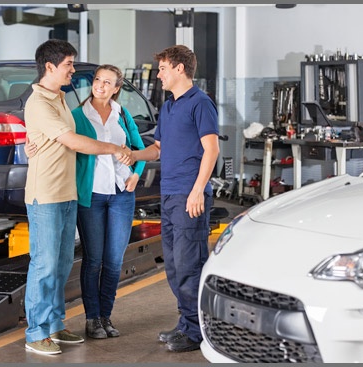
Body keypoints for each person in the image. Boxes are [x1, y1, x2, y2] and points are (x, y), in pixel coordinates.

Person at [23, 39, 131, 356]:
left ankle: (55, 326)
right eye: (69, 63)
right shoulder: (39, 102)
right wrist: (113, 148)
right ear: (50, 66)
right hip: (46, 195)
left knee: (61, 264)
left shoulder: (60, 98)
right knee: (43, 265)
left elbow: (49, 140)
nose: (74, 69)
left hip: (67, 192)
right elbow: (72, 140)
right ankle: (35, 333)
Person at [127, 45, 220, 353]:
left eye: (163, 69)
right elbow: (160, 149)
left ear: (180, 69)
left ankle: (197, 332)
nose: (159, 75)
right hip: (168, 194)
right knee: (174, 266)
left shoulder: (201, 103)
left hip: (188, 197)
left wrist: (197, 191)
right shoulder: (168, 106)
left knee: (190, 263)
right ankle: (185, 324)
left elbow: (212, 150)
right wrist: (134, 155)